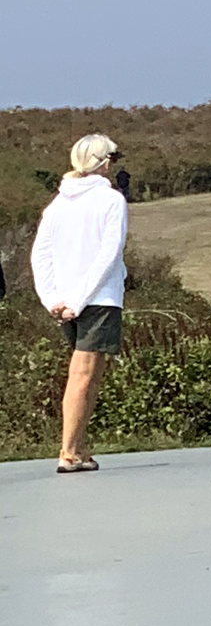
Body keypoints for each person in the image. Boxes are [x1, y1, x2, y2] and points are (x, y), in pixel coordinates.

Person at [32, 134, 129, 474]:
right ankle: (68, 450)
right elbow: (109, 253)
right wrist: (76, 300)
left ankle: (80, 446)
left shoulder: (57, 204)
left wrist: (52, 299)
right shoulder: (111, 200)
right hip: (98, 299)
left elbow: (40, 255)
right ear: (104, 163)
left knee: (91, 374)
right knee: (83, 375)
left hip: (68, 301)